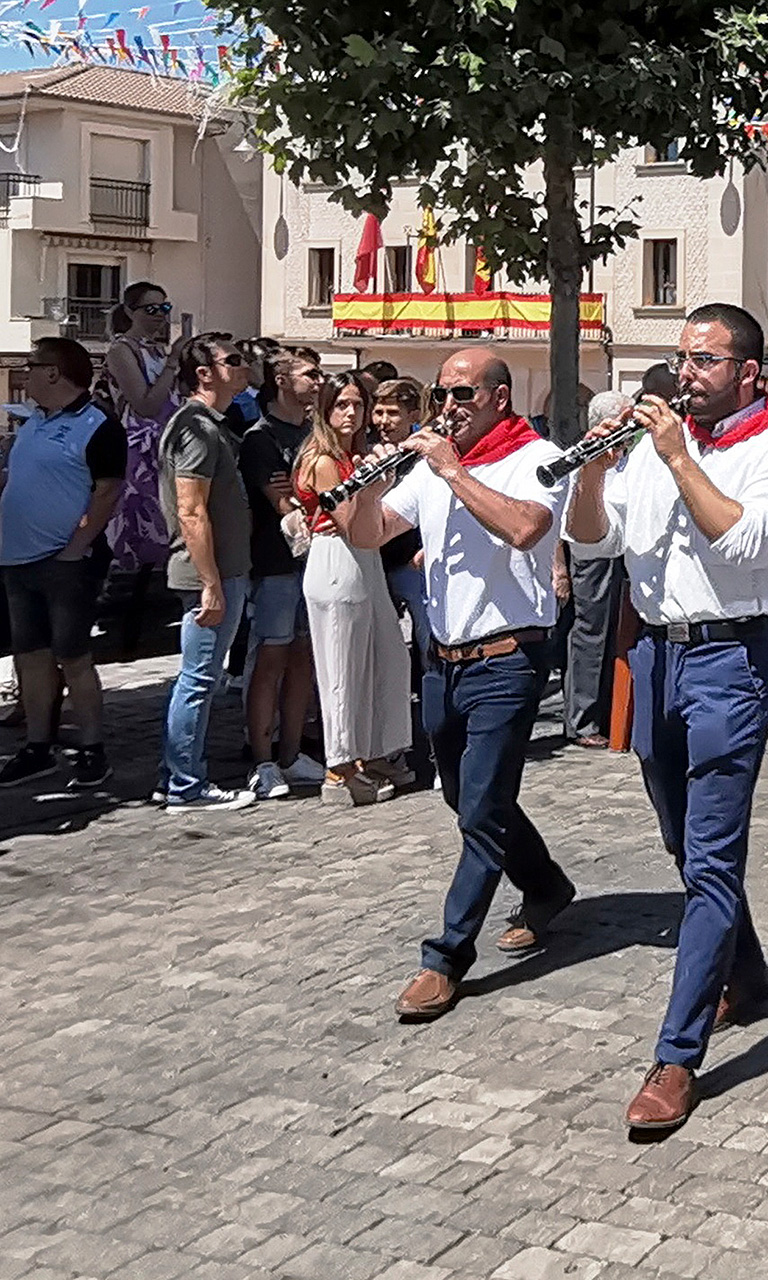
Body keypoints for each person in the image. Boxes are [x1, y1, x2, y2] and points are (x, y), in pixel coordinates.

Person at [563, 304, 768, 1133]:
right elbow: (593, 542)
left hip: (731, 657)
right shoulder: (647, 446)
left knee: (710, 855)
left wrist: (675, 458)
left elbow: (739, 543)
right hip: (658, 655)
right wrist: (596, 472)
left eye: (703, 360)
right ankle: (745, 970)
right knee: (679, 839)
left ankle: (676, 1057)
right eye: (681, 358)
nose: (685, 373)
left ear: (746, 370)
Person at [339, 347, 574, 1022]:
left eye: (462, 395)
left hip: (508, 660)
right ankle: (546, 883)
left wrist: (452, 469)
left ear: (499, 398)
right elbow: (371, 531)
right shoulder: (435, 466)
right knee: (467, 797)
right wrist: (363, 486)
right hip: (443, 660)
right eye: (443, 394)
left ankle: (445, 956)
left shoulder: (536, 456)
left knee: (481, 810)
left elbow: (527, 528)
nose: (448, 407)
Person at [0, 338, 126, 789]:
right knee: (30, 656)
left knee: (73, 657)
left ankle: (91, 749)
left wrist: (77, 547)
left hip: (65, 562)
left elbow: (108, 490)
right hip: (17, 559)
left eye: (30, 366)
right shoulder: (34, 423)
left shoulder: (97, 425)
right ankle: (38, 746)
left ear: (53, 372)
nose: (24, 373)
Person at [293, 371, 413, 805]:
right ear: (325, 410)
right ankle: (339, 769)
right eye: (341, 404)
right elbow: (349, 522)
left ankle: (376, 750)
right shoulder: (324, 460)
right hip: (335, 557)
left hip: (366, 559)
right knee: (341, 668)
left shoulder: (351, 455)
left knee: (387, 658)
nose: (350, 413)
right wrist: (380, 486)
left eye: (357, 405)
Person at [156, 334, 258, 812]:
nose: (243, 368)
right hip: (208, 574)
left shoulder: (211, 424)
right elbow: (190, 509)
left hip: (222, 570)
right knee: (199, 678)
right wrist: (212, 583)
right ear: (204, 373)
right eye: (233, 361)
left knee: (201, 677)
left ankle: (175, 775)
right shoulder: (196, 428)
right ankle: (185, 784)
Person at [239, 349, 326, 798]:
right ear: (281, 379)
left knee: (302, 659)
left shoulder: (316, 432)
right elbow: (281, 501)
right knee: (270, 657)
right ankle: (262, 759)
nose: (318, 381)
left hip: (315, 561)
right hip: (275, 562)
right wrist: (300, 497)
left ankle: (292, 754)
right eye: (310, 374)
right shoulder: (260, 437)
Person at [370, 377, 435, 784]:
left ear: (414, 416)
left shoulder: (423, 455)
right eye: (378, 412)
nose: (383, 420)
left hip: (412, 567)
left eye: (393, 412)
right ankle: (386, 748)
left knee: (430, 657)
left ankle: (434, 746)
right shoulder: (369, 451)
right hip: (373, 563)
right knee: (380, 660)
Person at [561, 391, 634, 748]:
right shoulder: (582, 455)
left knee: (615, 635)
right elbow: (563, 520)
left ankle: (611, 712)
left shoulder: (629, 459)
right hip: (591, 557)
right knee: (591, 634)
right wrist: (559, 570)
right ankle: (582, 720)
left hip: (622, 552)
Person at [101, 281, 182, 572]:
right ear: (130, 311)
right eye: (151, 308)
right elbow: (145, 405)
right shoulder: (122, 350)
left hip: (164, 446)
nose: (159, 314)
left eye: (164, 307)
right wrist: (173, 361)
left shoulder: (157, 350)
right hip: (138, 449)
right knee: (140, 522)